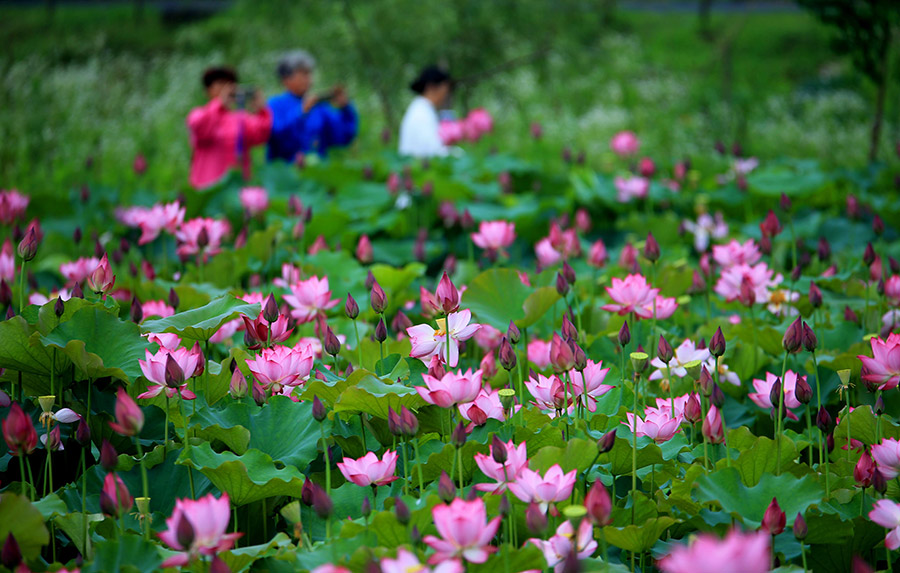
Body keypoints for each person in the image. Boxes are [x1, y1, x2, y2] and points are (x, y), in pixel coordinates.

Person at [186, 67, 272, 189]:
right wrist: (219, 104)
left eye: (230, 84)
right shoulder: (199, 114)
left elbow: (262, 134)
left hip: (236, 188)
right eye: (220, 83)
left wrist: (261, 110)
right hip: (207, 188)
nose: (226, 88)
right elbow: (201, 129)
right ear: (208, 90)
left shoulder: (240, 117)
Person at [267, 51, 358, 163]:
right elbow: (277, 138)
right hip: (286, 174)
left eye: (309, 73)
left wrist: (346, 108)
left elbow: (343, 137)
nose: (309, 79)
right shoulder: (274, 105)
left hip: (317, 173)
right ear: (286, 79)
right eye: (303, 74)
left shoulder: (319, 106)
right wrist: (301, 112)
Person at [398, 66, 453, 158]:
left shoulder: (422, 109)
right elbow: (433, 151)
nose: (445, 96)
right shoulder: (421, 114)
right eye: (444, 90)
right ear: (431, 87)